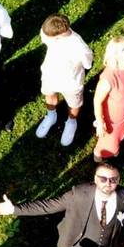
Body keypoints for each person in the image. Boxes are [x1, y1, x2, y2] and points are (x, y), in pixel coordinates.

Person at [34, 13, 93, 147]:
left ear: (59, 34)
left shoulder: (79, 47)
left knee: (74, 104)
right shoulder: (46, 32)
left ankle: (71, 122)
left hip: (71, 83)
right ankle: (51, 116)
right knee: (49, 95)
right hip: (50, 75)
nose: (44, 38)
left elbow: (88, 64)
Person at [92, 37, 124, 162]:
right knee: (109, 141)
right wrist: (100, 122)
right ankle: (98, 157)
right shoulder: (109, 78)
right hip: (113, 118)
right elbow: (97, 101)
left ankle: (117, 142)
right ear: (114, 56)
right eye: (122, 50)